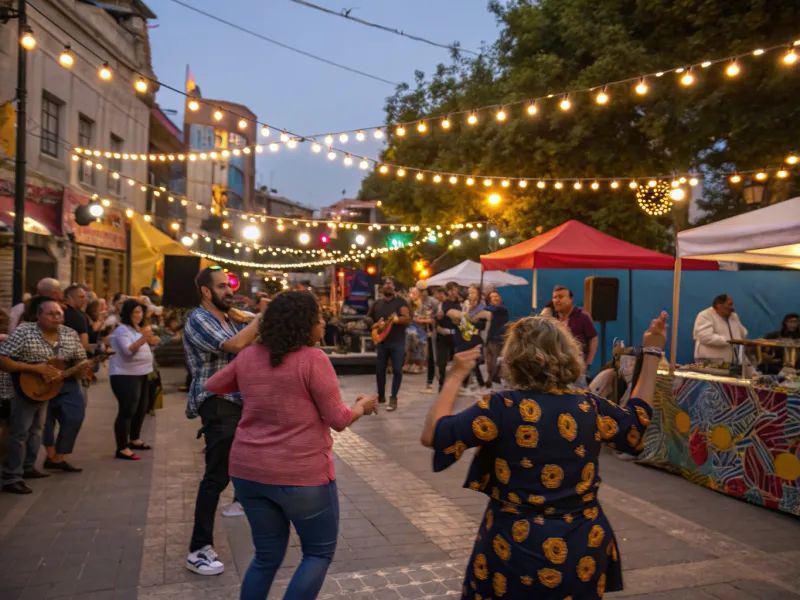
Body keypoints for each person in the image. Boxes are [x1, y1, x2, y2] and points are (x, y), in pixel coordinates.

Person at [421, 311, 668, 600]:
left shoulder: (501, 407)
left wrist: (454, 376)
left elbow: (434, 435)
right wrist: (651, 352)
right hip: (581, 547)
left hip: (515, 548)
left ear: (516, 358)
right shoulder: (590, 406)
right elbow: (635, 426)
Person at [205, 291, 378, 600]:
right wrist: (363, 407)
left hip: (248, 473)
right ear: (302, 325)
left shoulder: (249, 356)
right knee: (318, 553)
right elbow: (338, 419)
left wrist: (255, 380)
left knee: (266, 557)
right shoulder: (313, 359)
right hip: (301, 476)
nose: (323, 323)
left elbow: (214, 384)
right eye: (318, 319)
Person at [184, 266, 264, 576]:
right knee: (215, 476)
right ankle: (198, 549)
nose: (229, 292)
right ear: (206, 291)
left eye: (229, 287)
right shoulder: (199, 319)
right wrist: (260, 319)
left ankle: (242, 501)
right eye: (221, 287)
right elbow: (235, 346)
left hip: (237, 399)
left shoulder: (229, 317)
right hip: (216, 401)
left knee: (248, 461)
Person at [0, 297, 91, 493]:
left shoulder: (69, 334)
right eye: (50, 313)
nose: (55, 317)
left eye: (59, 313)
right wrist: (34, 369)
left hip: (50, 388)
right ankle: (11, 477)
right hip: (23, 388)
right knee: (19, 432)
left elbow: (80, 360)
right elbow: (3, 359)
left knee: (36, 429)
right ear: (39, 316)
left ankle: (28, 467)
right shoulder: (25, 331)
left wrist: (82, 370)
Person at [108, 299, 159, 460]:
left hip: (143, 373)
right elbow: (128, 351)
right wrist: (143, 339)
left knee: (142, 408)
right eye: (135, 312)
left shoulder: (137, 329)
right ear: (128, 314)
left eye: (140, 312)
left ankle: (134, 438)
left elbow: (141, 347)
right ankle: (122, 447)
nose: (139, 315)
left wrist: (151, 342)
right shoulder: (122, 330)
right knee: (128, 410)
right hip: (125, 375)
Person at [365, 277, 410, 412]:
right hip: (382, 342)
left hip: (397, 341)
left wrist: (396, 319)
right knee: (380, 371)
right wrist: (374, 324)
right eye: (385, 284)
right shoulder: (377, 303)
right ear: (382, 288)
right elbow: (367, 317)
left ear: (394, 287)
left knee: (397, 370)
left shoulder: (401, 302)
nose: (387, 286)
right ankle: (381, 396)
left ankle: (394, 397)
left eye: (390, 284)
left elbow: (407, 319)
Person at [552, 286, 598, 387]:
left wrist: (588, 362)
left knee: (578, 398)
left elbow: (593, 338)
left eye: (561, 297)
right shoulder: (552, 319)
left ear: (571, 299)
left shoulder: (582, 316)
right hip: (556, 370)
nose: (557, 300)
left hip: (576, 369)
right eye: (554, 297)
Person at [692, 294, 748, 363]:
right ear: (719, 305)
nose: (732, 307)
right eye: (729, 305)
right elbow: (704, 337)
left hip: (731, 363)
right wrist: (729, 341)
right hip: (710, 363)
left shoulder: (733, 317)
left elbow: (742, 334)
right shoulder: (705, 315)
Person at [435, 282, 462, 392]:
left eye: (454, 290)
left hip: (455, 336)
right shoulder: (442, 304)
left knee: (455, 362)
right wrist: (438, 318)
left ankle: (452, 384)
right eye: (450, 290)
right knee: (442, 362)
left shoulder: (461, 305)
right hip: (442, 335)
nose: (452, 292)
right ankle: (441, 383)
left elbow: (462, 320)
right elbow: (436, 318)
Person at [416, 282, 440, 393]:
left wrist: (423, 319)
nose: (422, 293)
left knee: (436, 359)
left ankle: (440, 383)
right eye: (420, 290)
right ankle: (429, 384)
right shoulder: (421, 302)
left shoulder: (433, 301)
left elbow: (435, 318)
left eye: (423, 290)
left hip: (436, 333)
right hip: (427, 333)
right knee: (430, 358)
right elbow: (421, 317)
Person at [484, 290, 509, 389]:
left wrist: (490, 306)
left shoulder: (503, 308)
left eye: (496, 296)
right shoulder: (491, 307)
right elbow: (486, 308)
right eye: (492, 297)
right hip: (489, 337)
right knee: (488, 360)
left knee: (495, 360)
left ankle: (493, 380)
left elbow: (491, 309)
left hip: (497, 338)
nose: (495, 298)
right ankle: (490, 378)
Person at [404, 287, 427, 374]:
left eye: (414, 293)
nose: (412, 295)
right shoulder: (408, 302)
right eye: (411, 293)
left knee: (420, 341)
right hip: (411, 325)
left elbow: (427, 314)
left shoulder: (423, 303)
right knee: (411, 339)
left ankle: (419, 365)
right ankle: (410, 363)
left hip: (420, 326)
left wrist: (422, 318)